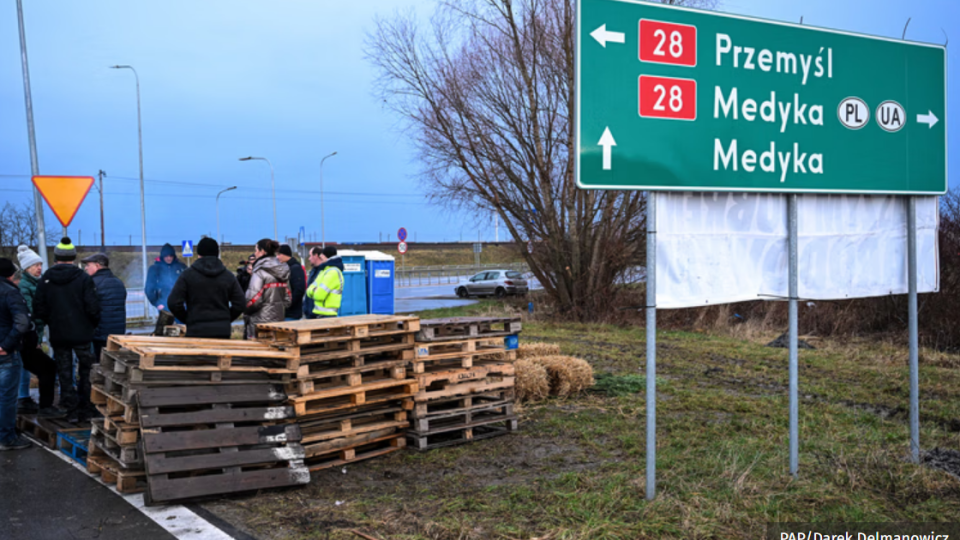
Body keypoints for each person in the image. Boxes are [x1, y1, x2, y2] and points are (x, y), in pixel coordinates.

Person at [33, 238, 101, 423]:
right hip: (82, 333)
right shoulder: (84, 278)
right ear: (73, 256)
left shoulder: (46, 279)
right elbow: (93, 308)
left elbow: (39, 308)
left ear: (56, 257)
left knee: (64, 369)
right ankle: (86, 406)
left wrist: (52, 322)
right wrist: (90, 325)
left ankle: (69, 407)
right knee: (86, 368)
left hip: (59, 333)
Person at [167, 238, 246, 339]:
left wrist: (188, 319)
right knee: (220, 355)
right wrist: (225, 319)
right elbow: (240, 303)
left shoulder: (188, 275)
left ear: (199, 254)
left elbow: (173, 302)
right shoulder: (228, 276)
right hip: (222, 331)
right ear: (217, 254)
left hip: (195, 330)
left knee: (199, 355)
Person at [15, 245, 59, 418]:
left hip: (32, 337)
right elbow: (29, 315)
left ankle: (25, 399)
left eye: (40, 264)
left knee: (29, 367)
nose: (39, 268)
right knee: (46, 367)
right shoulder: (25, 287)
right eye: (35, 265)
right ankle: (42, 406)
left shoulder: (36, 283)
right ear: (26, 268)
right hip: (28, 338)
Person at [0, 258, 32, 450]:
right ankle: (6, 437)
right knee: (6, 397)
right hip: (5, 353)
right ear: (11, 274)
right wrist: (6, 345)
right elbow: (23, 322)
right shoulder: (10, 292)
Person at [81, 253, 127, 362]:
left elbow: (89, 308)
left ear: (97, 266)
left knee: (97, 363)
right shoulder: (118, 282)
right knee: (113, 363)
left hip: (98, 333)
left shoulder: (92, 283)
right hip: (117, 333)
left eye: (88, 265)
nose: (86, 268)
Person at [244, 239, 290, 339]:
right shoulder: (284, 271)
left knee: (259, 352)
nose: (255, 253)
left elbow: (253, 300)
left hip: (260, 322)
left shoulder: (260, 272)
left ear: (262, 251)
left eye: (256, 250)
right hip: (279, 321)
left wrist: (245, 310)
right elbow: (288, 298)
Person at [145, 243, 186, 312]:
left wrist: (186, 301)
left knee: (182, 322)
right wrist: (157, 303)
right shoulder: (155, 269)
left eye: (171, 256)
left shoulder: (181, 267)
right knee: (166, 323)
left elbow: (188, 284)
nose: (169, 258)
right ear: (162, 256)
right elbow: (149, 288)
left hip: (180, 304)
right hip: (164, 305)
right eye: (166, 256)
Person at [306, 246, 344, 318]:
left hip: (328, 315)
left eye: (322, 255)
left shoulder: (333, 272)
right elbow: (308, 290)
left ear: (325, 256)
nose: (320, 257)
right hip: (319, 314)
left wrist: (313, 290)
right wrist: (314, 290)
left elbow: (319, 295)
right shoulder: (324, 271)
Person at [277, 245, 306, 321]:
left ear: (285, 254)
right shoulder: (286, 267)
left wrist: (288, 304)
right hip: (285, 312)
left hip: (292, 313)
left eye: (279, 254)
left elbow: (299, 290)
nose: (277, 257)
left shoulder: (295, 268)